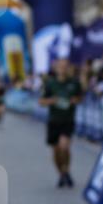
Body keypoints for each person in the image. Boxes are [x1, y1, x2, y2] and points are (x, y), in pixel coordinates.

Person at [38, 58, 82, 188]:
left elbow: (80, 97)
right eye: (60, 66)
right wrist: (51, 100)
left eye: (65, 66)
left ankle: (66, 170)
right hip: (54, 121)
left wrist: (76, 100)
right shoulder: (50, 84)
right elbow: (41, 101)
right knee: (56, 150)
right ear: (56, 68)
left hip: (68, 120)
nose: (62, 69)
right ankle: (62, 174)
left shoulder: (74, 83)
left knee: (65, 146)